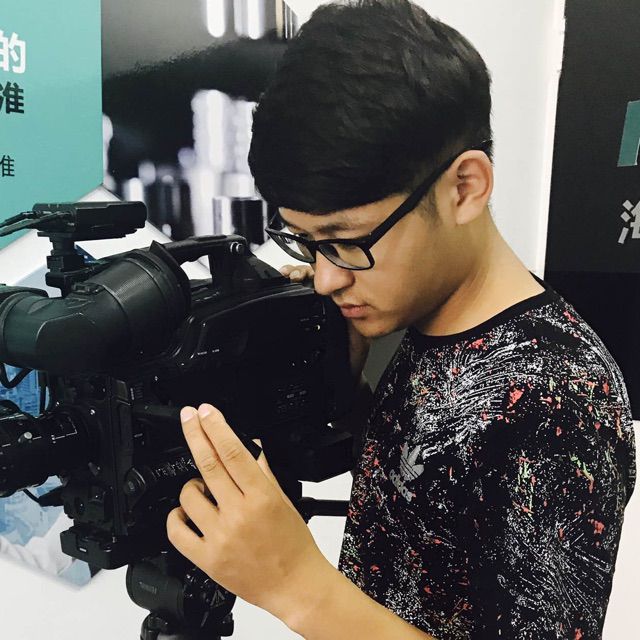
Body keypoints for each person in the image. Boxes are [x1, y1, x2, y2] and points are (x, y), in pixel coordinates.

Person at [166, 1, 637, 639]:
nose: (326, 278)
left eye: (346, 241)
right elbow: (430, 501)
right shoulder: (417, 316)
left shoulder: (557, 399)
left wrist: (296, 587)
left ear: (465, 187)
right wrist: (339, 390)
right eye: (306, 242)